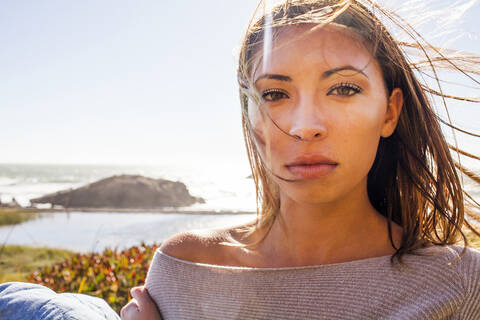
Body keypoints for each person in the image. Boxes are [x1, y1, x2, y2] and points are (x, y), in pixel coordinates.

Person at [120, 0, 480, 319]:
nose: (305, 127)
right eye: (275, 94)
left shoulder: (461, 283)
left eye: (343, 89)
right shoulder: (185, 267)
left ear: (389, 112)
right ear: (249, 117)